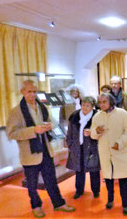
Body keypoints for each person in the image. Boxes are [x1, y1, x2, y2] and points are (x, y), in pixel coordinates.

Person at [6, 80, 75, 218]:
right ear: (23, 92)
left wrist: (50, 125)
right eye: (29, 91)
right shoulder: (16, 111)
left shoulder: (42, 107)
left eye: (34, 91)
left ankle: (59, 203)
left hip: (46, 151)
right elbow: (11, 133)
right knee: (32, 183)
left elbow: (51, 122)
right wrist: (34, 130)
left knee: (51, 179)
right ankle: (36, 206)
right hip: (29, 154)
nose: (32, 94)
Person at [90, 93, 127, 215]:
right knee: (108, 178)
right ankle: (110, 200)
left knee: (123, 179)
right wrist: (96, 131)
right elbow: (92, 134)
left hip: (121, 152)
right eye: (100, 102)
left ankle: (125, 204)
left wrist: (119, 143)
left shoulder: (122, 114)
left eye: (104, 101)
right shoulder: (97, 116)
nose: (102, 104)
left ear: (111, 102)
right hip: (105, 152)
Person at [66, 96, 100, 199]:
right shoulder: (74, 116)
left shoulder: (97, 116)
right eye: (83, 105)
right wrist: (71, 145)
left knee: (94, 170)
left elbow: (102, 132)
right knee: (79, 170)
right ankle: (79, 190)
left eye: (88, 105)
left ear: (92, 106)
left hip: (92, 148)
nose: (85, 107)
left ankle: (96, 190)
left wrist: (92, 133)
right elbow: (70, 132)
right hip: (77, 147)